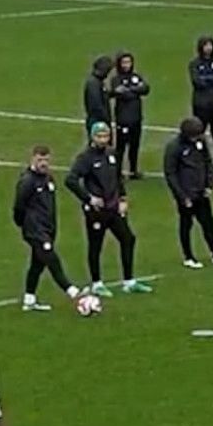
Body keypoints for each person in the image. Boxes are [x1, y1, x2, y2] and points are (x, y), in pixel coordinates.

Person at [65, 122, 152, 298]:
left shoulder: (111, 154)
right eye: (99, 136)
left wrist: (123, 198)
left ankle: (129, 281)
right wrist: (88, 198)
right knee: (96, 245)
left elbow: (117, 178)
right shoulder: (85, 158)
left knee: (128, 239)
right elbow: (70, 180)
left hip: (113, 207)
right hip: (96, 211)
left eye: (105, 136)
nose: (103, 139)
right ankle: (97, 283)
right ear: (92, 137)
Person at [14, 145, 83, 312]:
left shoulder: (48, 178)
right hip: (35, 230)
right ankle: (72, 290)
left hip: (48, 228)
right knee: (51, 259)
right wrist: (25, 225)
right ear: (32, 159)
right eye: (40, 160)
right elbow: (18, 207)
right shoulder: (27, 181)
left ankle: (29, 300)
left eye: (46, 160)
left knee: (37, 263)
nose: (43, 163)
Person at [163, 118, 213, 269]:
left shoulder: (201, 142)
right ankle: (188, 257)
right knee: (186, 225)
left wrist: (209, 184)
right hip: (186, 193)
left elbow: (208, 162)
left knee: (208, 224)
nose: (196, 138)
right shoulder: (174, 147)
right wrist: (182, 196)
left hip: (201, 191)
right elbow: (170, 173)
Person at [188, 35, 213, 173]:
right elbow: (197, 82)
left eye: (210, 45)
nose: (208, 48)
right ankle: (199, 163)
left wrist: (207, 78)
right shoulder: (195, 64)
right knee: (198, 135)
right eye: (205, 45)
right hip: (200, 105)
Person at [109, 51, 151, 180]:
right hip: (123, 118)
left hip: (136, 117)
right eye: (124, 62)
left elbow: (145, 89)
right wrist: (135, 90)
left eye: (129, 62)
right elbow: (121, 94)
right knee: (121, 147)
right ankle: (117, 172)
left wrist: (129, 89)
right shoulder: (116, 79)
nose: (126, 65)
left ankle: (133, 170)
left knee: (135, 145)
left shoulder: (136, 76)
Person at [83, 55, 114, 141]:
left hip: (98, 119)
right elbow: (96, 104)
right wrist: (106, 118)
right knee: (99, 143)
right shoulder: (93, 83)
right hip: (97, 121)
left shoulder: (97, 81)